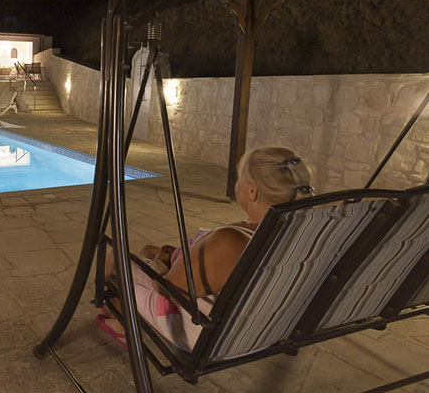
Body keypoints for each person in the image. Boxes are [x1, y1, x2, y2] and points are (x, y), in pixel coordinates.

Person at [97, 146, 314, 352]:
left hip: (205, 335)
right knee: (146, 251)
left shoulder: (229, 241)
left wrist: (162, 260)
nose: (236, 183)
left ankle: (121, 319)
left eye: (240, 178)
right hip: (265, 333)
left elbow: (165, 289)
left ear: (252, 191)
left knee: (116, 257)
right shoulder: (306, 237)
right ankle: (121, 312)